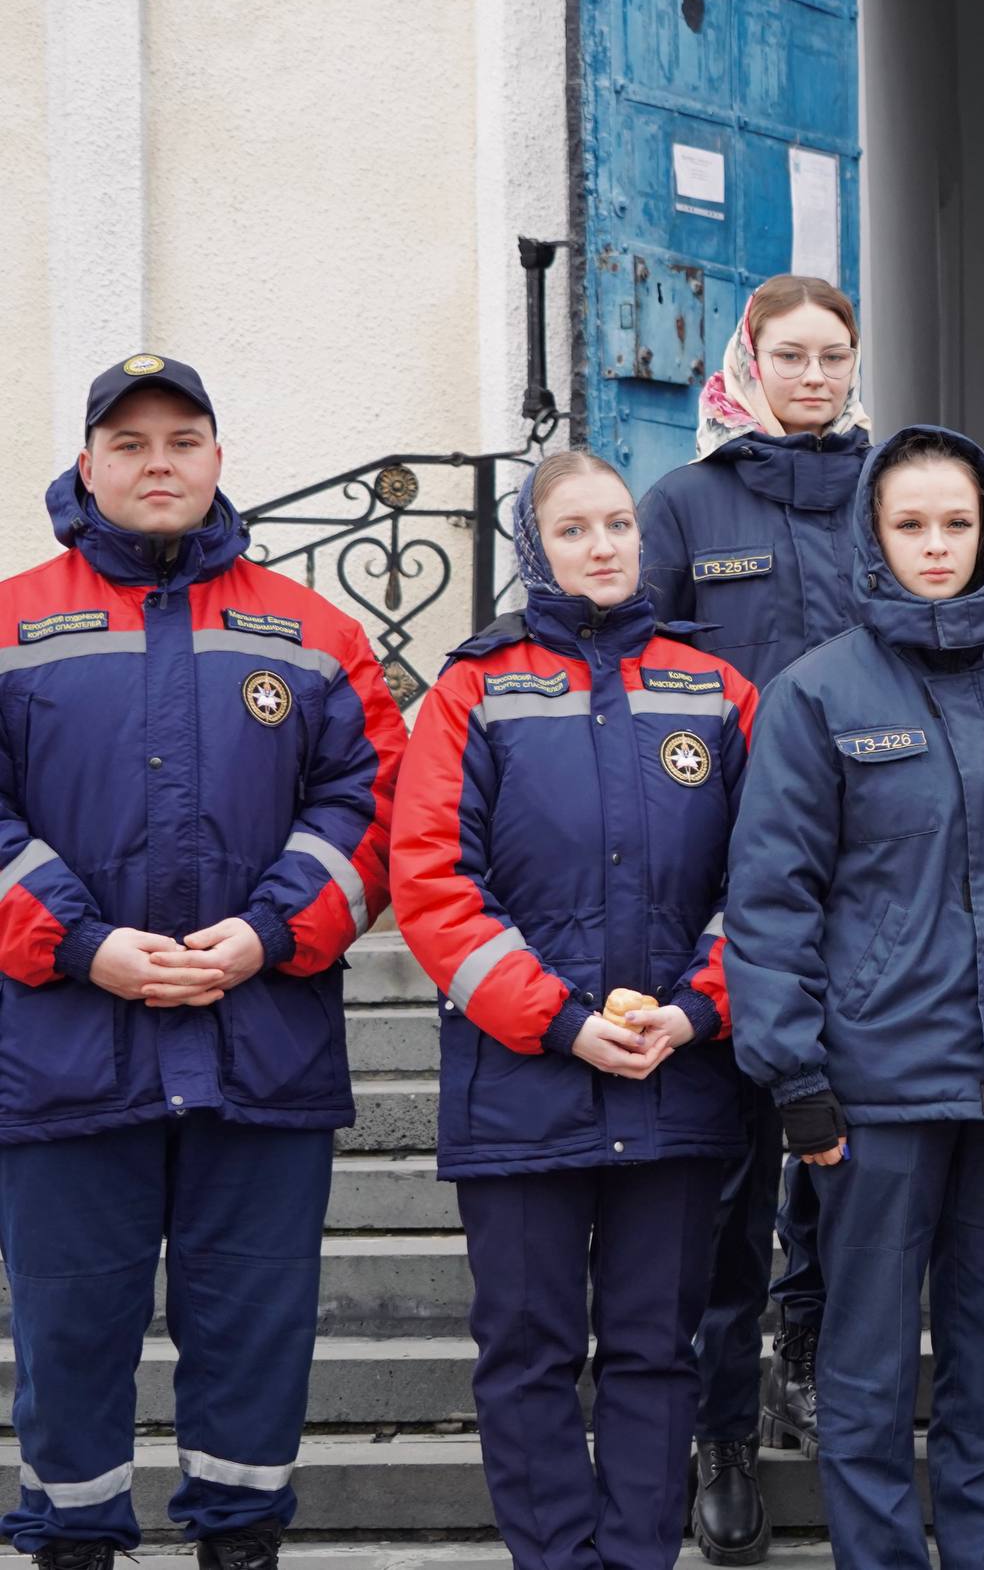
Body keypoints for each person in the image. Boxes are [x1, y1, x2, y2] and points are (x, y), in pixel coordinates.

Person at [0, 355, 406, 1570]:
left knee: (256, 1326)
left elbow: (374, 805)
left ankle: (241, 1540)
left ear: (220, 459)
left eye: (183, 439)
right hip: (68, 1047)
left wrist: (267, 931)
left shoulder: (316, 633)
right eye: (129, 443)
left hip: (259, 1042)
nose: (158, 462)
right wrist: (84, 943)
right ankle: (72, 1541)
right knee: (71, 1327)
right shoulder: (11, 623)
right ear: (87, 465)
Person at [723, 426, 984, 1570]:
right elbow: (770, 897)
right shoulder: (815, 692)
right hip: (874, 1091)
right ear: (873, 535)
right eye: (911, 524)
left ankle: (979, 1555)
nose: (936, 545)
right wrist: (793, 1072)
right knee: (869, 1367)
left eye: (957, 523)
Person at [392, 451, 754, 1570]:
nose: (603, 547)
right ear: (533, 548)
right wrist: (558, 1019)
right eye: (573, 529)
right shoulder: (473, 690)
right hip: (522, 1080)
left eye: (618, 524)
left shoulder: (717, 688)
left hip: (678, 1076)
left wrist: (696, 1008)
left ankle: (638, 1557)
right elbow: (433, 883)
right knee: (527, 1350)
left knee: (655, 1347)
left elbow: (769, 879)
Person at [638, 274, 870, 1561]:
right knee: (732, 1175)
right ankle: (721, 1429)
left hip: (873, 873)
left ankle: (814, 1355)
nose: (814, 376)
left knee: (847, 1147)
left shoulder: (889, 488)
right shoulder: (684, 502)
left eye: (833, 355)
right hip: (722, 881)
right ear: (749, 361)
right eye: (791, 356)